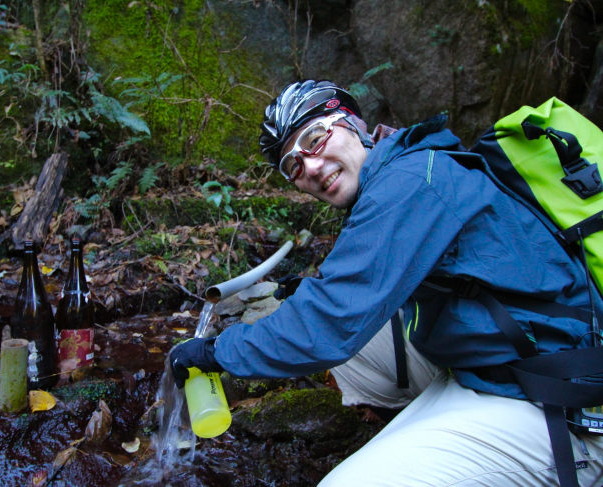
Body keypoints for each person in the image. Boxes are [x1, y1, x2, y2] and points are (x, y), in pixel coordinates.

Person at [169, 80, 603, 486]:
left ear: (353, 124)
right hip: (499, 361)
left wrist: (216, 352)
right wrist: (309, 291)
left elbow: (331, 323)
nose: (312, 167)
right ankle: (418, 432)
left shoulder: (410, 182)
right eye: (293, 166)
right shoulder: (409, 164)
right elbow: (360, 291)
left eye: (314, 139)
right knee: (349, 342)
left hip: (561, 400)